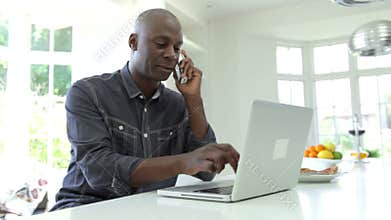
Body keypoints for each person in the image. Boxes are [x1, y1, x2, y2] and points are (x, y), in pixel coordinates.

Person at [51, 8, 239, 211]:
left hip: (148, 210)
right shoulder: (88, 92)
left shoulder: (177, 103)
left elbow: (205, 172)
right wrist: (183, 162)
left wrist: (193, 99)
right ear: (133, 42)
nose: (171, 55)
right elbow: (100, 171)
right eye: (161, 44)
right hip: (86, 207)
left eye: (177, 48)